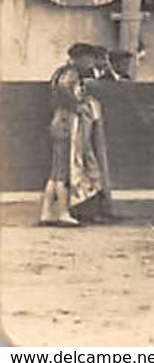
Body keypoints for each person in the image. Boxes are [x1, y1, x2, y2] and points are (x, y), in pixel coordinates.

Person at [40, 43, 109, 226]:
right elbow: (64, 89)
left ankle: (46, 212)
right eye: (89, 59)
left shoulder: (60, 71)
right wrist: (76, 106)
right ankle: (62, 212)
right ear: (80, 58)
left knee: (55, 172)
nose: (90, 63)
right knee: (64, 170)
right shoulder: (71, 74)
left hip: (58, 121)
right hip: (67, 123)